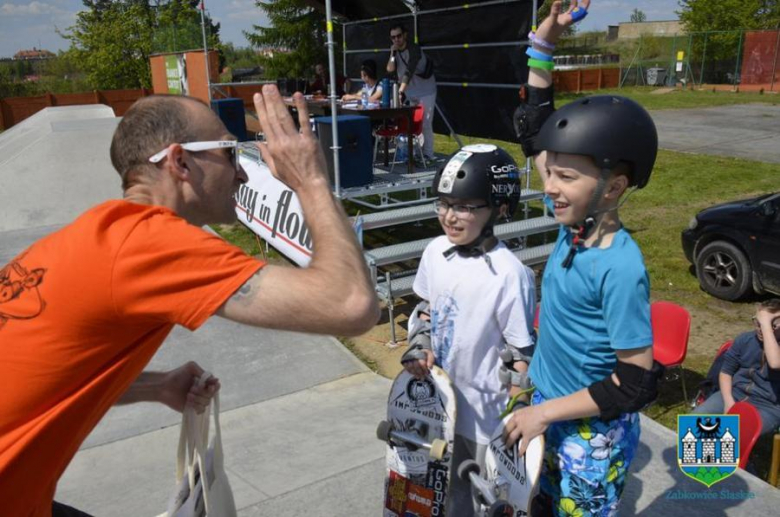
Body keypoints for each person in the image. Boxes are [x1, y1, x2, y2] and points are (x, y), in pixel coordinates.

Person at [0, 85, 379, 516]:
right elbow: (351, 304)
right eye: (230, 154)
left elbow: (47, 374)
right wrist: (311, 180)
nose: (241, 174)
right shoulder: (151, 243)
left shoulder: (91, 237)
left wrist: (155, 385)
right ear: (180, 162)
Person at [505, 1, 664, 516]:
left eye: (565, 178)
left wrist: (544, 414)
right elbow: (536, 125)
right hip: (547, 411)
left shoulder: (619, 266)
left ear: (614, 187)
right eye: (549, 173)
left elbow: (633, 381)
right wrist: (545, 42)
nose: (548, 187)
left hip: (589, 434)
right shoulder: (575, 226)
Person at [402, 144, 536, 516]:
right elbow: (427, 308)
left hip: (482, 418)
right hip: (435, 405)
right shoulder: (434, 251)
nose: (449, 216)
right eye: (443, 204)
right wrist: (419, 343)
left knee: (472, 501)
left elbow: (520, 354)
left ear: (500, 208)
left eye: (464, 206)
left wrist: (515, 413)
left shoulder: (510, 274)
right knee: (432, 491)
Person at [693, 299, 780, 435]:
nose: (761, 329)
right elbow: (726, 372)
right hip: (735, 394)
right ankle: (699, 455)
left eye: (770, 325)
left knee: (734, 435)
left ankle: (734, 455)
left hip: (768, 406)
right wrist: (729, 401)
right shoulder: (745, 340)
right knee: (694, 421)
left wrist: (766, 326)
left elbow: (775, 363)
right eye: (757, 323)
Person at [386, 23, 437, 161]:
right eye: (393, 37)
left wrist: (400, 92)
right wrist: (392, 53)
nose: (396, 40)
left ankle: (428, 154)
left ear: (405, 35)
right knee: (412, 123)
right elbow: (390, 69)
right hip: (410, 92)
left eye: (399, 36)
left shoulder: (414, 48)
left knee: (426, 122)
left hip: (426, 91)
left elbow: (409, 71)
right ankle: (416, 153)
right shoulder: (395, 52)